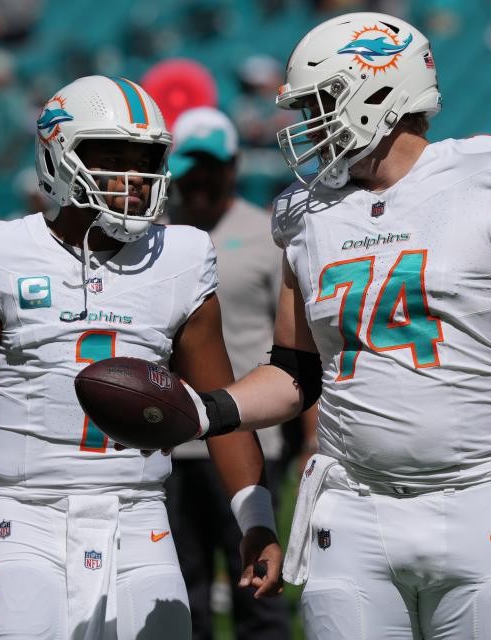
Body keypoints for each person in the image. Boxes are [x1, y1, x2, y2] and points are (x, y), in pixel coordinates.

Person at [97, 13, 491, 639]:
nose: (307, 125)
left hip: (479, 498)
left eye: (320, 103)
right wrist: (205, 410)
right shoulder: (309, 215)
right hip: (351, 508)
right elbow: (294, 373)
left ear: (378, 92)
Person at [0, 76, 282, 639]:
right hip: (23, 510)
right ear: (57, 158)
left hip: (139, 510)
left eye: (144, 160)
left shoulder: (182, 257)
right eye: (112, 158)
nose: (134, 179)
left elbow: (221, 408)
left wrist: (256, 522)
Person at [164, 106, 291, 640]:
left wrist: (307, 436)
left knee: (256, 585)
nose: (200, 179)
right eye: (190, 167)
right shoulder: (154, 236)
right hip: (172, 440)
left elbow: (294, 348)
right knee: (179, 589)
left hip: (250, 435)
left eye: (211, 167)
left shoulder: (267, 233)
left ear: (233, 166)